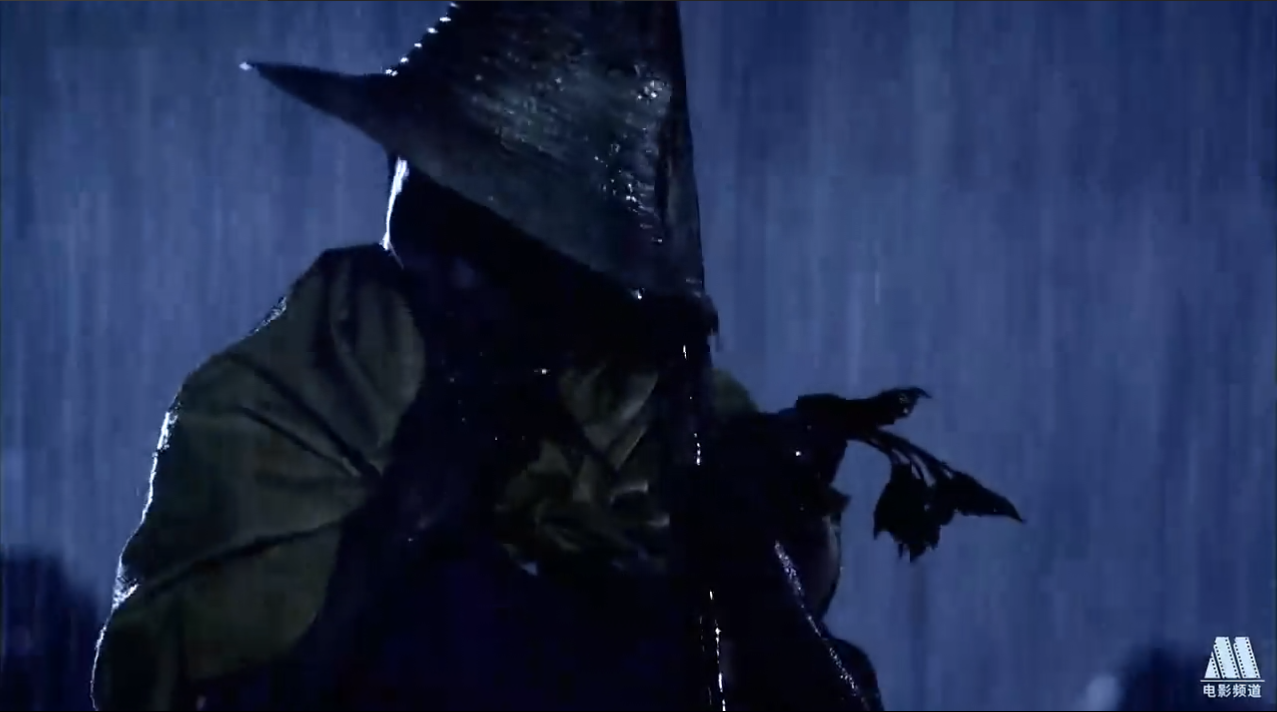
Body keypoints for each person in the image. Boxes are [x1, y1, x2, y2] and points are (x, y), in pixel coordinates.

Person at [91, 3, 1020, 710]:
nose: (445, 267)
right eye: (425, 198)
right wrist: (396, 529)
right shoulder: (303, 387)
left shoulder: (680, 434)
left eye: (490, 233)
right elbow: (193, 691)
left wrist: (742, 555)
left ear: (581, 274)